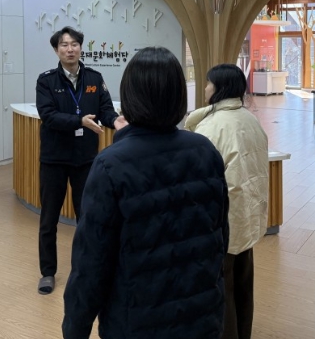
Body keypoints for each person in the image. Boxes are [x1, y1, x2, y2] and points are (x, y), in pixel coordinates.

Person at [62, 46, 229, 339]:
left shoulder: (111, 165)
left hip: (136, 322)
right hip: (202, 317)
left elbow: (91, 265)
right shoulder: (205, 151)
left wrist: (75, 329)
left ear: (129, 96)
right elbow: (220, 237)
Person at [35, 26, 126, 296]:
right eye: (64, 45)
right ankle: (47, 272)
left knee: (87, 218)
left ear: (80, 48)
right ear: (56, 50)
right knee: (49, 219)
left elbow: (105, 109)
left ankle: (86, 269)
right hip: (54, 159)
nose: (70, 49)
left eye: (74, 44)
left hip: (85, 159)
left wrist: (115, 121)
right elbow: (48, 115)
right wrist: (79, 121)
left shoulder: (94, 78)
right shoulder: (46, 81)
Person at [184, 64, 269, 339]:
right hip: (248, 218)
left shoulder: (211, 127)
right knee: (244, 284)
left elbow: (199, 179)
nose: (205, 88)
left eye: (208, 83)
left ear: (219, 88)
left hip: (222, 223)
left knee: (222, 289)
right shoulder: (250, 119)